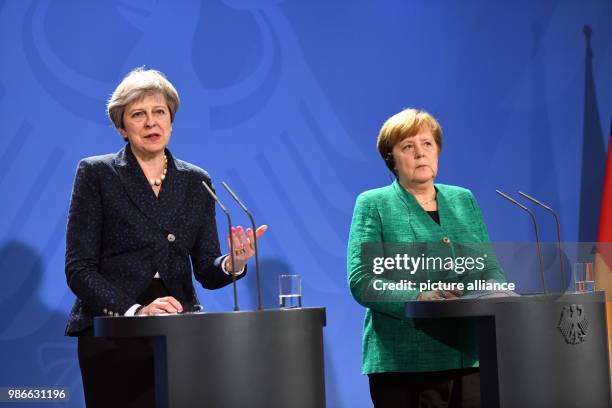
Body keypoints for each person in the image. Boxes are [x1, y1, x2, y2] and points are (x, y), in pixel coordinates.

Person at [64, 67, 267, 407]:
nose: (151, 123)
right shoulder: (97, 173)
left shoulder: (195, 181)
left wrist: (234, 262)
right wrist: (136, 311)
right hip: (114, 329)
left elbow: (206, 268)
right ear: (121, 127)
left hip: (180, 331)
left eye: (159, 112)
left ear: (171, 120)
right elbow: (79, 269)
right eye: (138, 115)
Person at [347, 108, 505, 407]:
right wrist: (418, 295)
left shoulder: (463, 199)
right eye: (408, 146)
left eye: (427, 144)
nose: (420, 153)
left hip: (470, 354)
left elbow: (489, 269)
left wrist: (497, 289)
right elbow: (363, 281)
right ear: (391, 159)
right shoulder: (374, 204)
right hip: (405, 360)